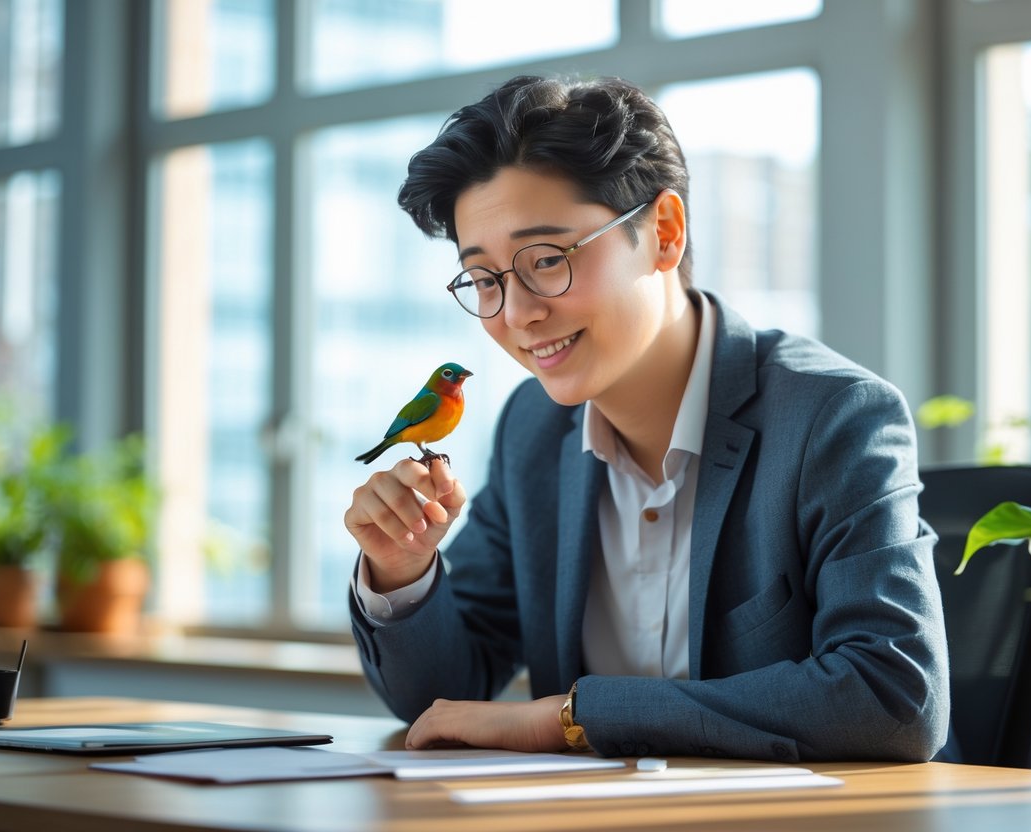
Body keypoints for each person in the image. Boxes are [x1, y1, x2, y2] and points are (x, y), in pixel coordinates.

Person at [345, 74, 949, 762]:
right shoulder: (531, 429)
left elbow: (893, 699)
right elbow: (443, 698)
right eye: (484, 280)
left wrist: (570, 718)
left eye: (545, 260)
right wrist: (402, 573)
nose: (516, 315)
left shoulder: (830, 418)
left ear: (662, 232)